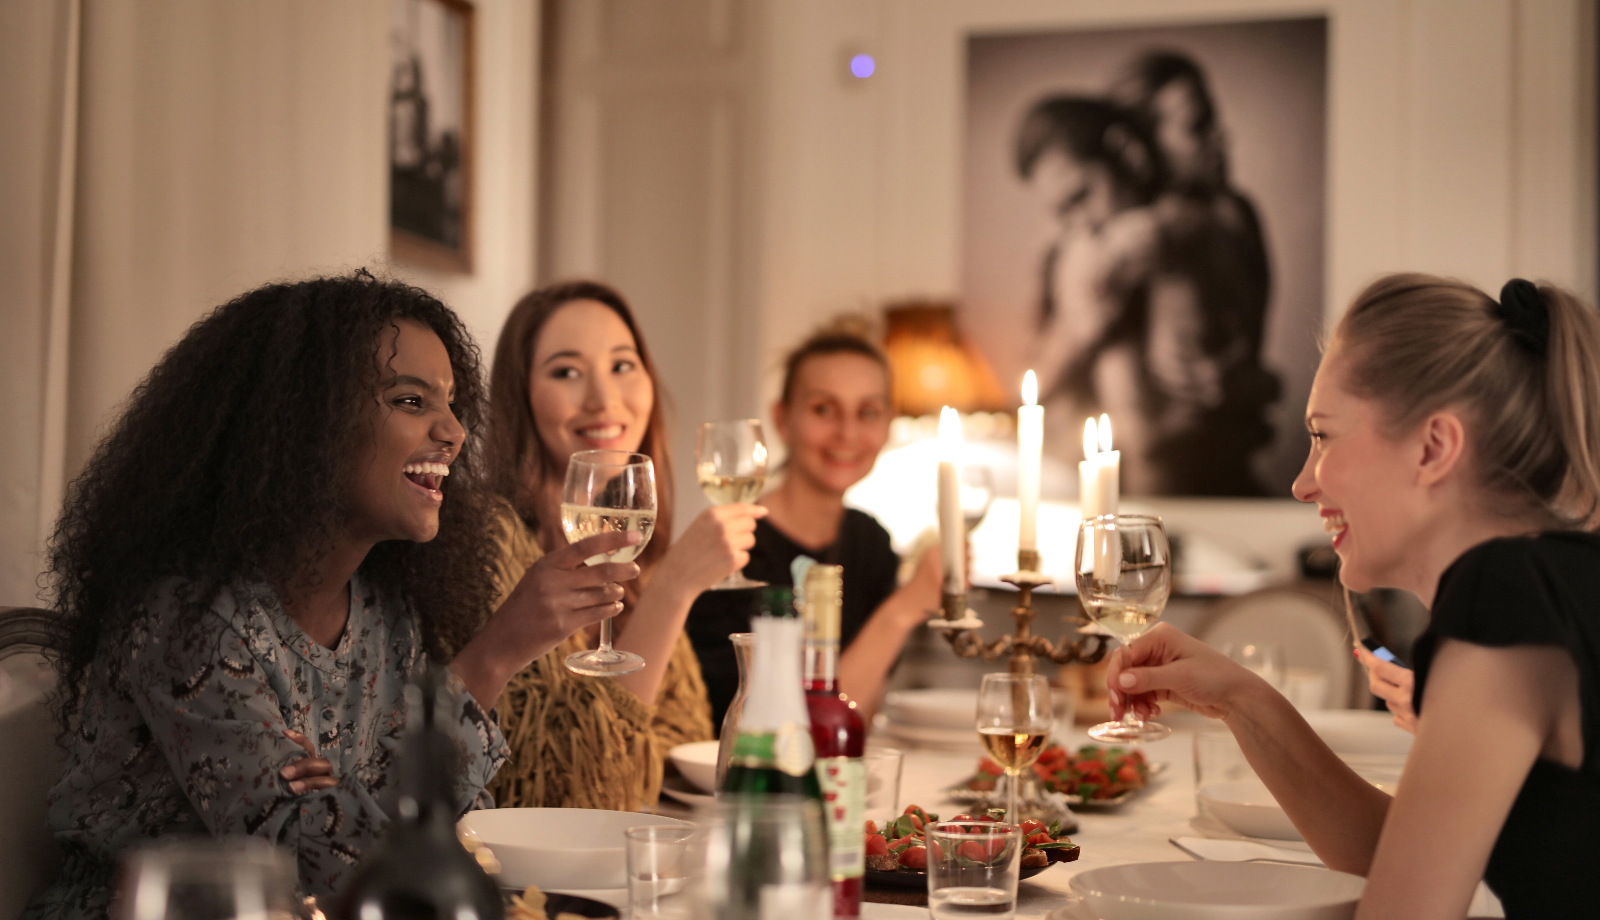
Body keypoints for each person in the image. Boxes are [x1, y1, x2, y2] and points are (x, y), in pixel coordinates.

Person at [26, 274, 636, 917]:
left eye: (452, 404)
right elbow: (327, 863)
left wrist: (345, 795)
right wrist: (493, 658)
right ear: (300, 422)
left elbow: (424, 826)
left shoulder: (383, 609)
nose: (454, 432)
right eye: (410, 401)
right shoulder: (186, 616)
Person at [1108, 274, 1600, 918]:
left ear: (1433, 448)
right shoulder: (1551, 581)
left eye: (1322, 436)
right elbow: (1406, 852)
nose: (1302, 484)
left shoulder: (1505, 595)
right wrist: (1242, 699)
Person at [482, 280, 760, 811]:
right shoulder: (488, 541)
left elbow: (681, 739)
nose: (603, 399)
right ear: (520, 396)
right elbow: (577, 791)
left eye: (622, 366)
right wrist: (675, 588)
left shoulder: (631, 552)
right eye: (566, 372)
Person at [688, 322, 942, 725]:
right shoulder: (732, 550)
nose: (847, 433)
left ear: (888, 423)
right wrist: (904, 609)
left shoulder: (870, 543)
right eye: (824, 409)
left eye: (868, 412)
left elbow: (859, 711)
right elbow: (781, 731)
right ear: (782, 418)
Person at [1110, 50, 1279, 495]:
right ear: (1143, 145)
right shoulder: (1124, 240)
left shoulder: (1235, 217)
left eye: (1214, 119)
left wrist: (1247, 384)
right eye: (1197, 125)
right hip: (1153, 480)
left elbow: (1250, 362)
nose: (1220, 137)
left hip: (1229, 467)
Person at [1015, 95, 1167, 491]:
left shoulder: (1186, 231)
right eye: (1061, 211)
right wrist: (1080, 323)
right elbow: (1034, 381)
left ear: (1124, 153)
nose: (1078, 222)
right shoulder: (1066, 254)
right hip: (1077, 483)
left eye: (1081, 195)